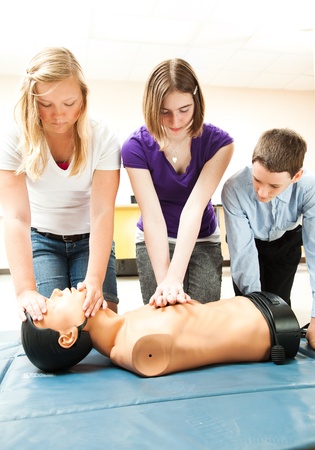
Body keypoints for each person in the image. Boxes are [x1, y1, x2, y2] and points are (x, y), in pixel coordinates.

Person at [0, 47, 121, 321]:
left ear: (83, 99)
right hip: (42, 240)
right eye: (46, 104)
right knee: (47, 323)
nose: (59, 115)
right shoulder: (13, 137)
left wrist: (94, 279)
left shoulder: (103, 137)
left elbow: (103, 211)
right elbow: (16, 218)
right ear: (32, 102)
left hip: (90, 239)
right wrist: (24, 291)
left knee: (99, 323)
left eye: (69, 103)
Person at [121, 58, 234, 307]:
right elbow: (152, 216)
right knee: (163, 314)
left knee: (201, 317)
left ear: (197, 101)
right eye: (165, 112)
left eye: (184, 109)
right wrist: (166, 283)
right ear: (152, 107)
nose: (175, 121)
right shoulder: (134, 147)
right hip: (154, 236)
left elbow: (194, 208)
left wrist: (176, 277)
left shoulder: (220, 144)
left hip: (202, 237)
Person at [21, 286, 302, 376]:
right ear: (68, 335)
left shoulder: (125, 325)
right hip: (275, 328)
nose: (57, 291)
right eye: (51, 305)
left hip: (260, 304)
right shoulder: (138, 349)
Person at [221, 128, 315, 346]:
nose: (262, 192)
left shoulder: (309, 188)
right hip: (250, 240)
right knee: (250, 314)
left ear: (296, 176)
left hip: (286, 241)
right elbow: (243, 254)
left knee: (281, 310)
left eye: (274, 186)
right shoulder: (234, 188)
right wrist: (257, 318)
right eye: (257, 180)